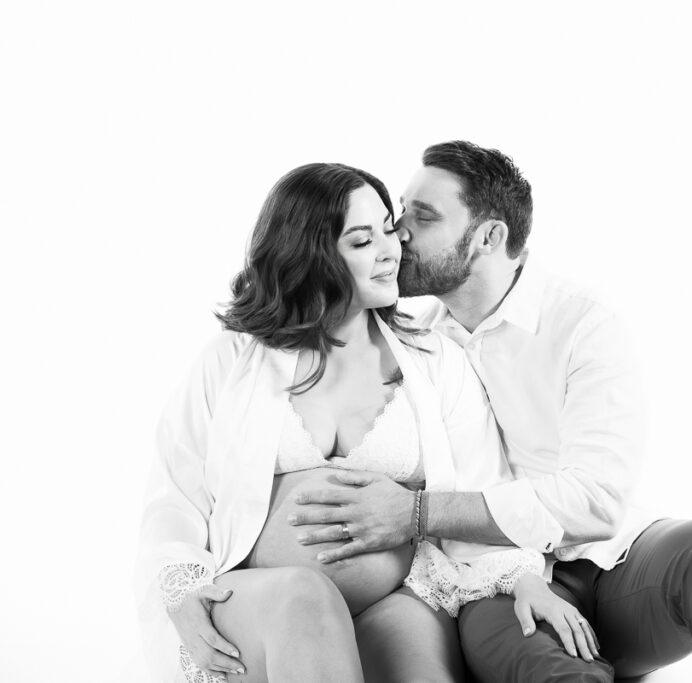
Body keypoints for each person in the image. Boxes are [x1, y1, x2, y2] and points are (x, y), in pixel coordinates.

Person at [290, 142, 692, 682]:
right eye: (402, 212)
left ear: (490, 237)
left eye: (423, 217)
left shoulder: (582, 323)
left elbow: (596, 500)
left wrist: (417, 512)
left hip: (614, 564)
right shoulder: (411, 345)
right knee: (545, 664)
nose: (397, 235)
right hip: (494, 580)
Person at [135, 162, 597, 683]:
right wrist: (177, 584)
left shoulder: (433, 359)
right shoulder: (231, 360)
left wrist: (524, 578)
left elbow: (479, 480)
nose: (390, 250)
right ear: (309, 253)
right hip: (255, 592)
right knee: (306, 597)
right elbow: (175, 491)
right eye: (362, 241)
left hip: (397, 592)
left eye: (387, 229)